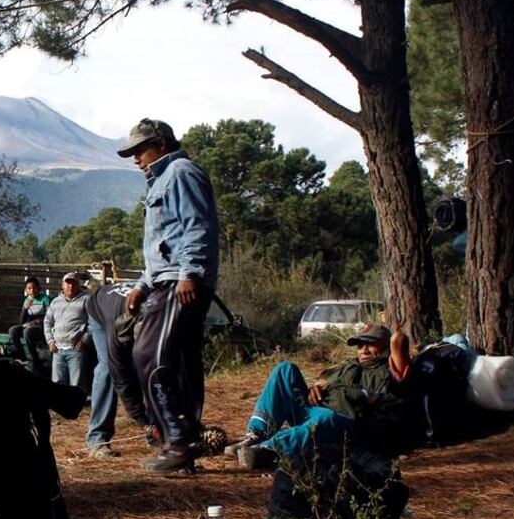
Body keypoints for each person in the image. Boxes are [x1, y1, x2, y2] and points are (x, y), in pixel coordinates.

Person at [119, 119, 220, 473]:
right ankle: (183, 443)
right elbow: (163, 244)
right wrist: (142, 284)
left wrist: (190, 272)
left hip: (180, 282)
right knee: (177, 362)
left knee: (149, 356)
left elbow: (196, 224)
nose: (135, 159)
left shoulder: (180, 171)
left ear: (161, 143)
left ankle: (176, 440)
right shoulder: (161, 179)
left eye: (139, 150)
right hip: (166, 280)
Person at [227, 324, 407, 465]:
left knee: (327, 419)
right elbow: (321, 382)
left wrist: (395, 339)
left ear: (385, 346)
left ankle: (267, 450)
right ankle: (257, 435)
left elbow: (399, 346)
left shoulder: (388, 370)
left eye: (370, 343)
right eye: (360, 344)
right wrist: (315, 388)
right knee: (284, 369)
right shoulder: (346, 366)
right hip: (315, 411)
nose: (364, 350)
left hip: (348, 425)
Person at [83, 282, 152, 458]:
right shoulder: (118, 328)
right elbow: (120, 378)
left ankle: (157, 433)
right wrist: (142, 421)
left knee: (151, 369)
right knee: (107, 368)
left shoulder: (159, 315)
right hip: (99, 310)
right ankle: (97, 439)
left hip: (129, 310)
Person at [44, 272, 89, 388]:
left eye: (73, 283)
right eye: (68, 283)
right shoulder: (55, 302)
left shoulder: (86, 300)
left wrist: (85, 339)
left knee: (76, 385)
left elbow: (94, 323)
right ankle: (59, 406)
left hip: (76, 349)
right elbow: (47, 322)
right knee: (57, 385)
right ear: (62, 285)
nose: (70, 286)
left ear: (78, 285)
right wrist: (50, 341)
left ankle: (75, 406)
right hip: (57, 350)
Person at [7, 276, 50, 373]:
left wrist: (37, 322)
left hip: (41, 327)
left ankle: (35, 359)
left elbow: (49, 316)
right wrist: (25, 309)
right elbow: (22, 321)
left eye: (34, 288)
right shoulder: (27, 300)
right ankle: (23, 358)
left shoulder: (45, 298)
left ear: (39, 288)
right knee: (12, 330)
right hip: (29, 325)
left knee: (27, 332)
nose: (32, 290)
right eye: (29, 288)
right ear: (26, 290)